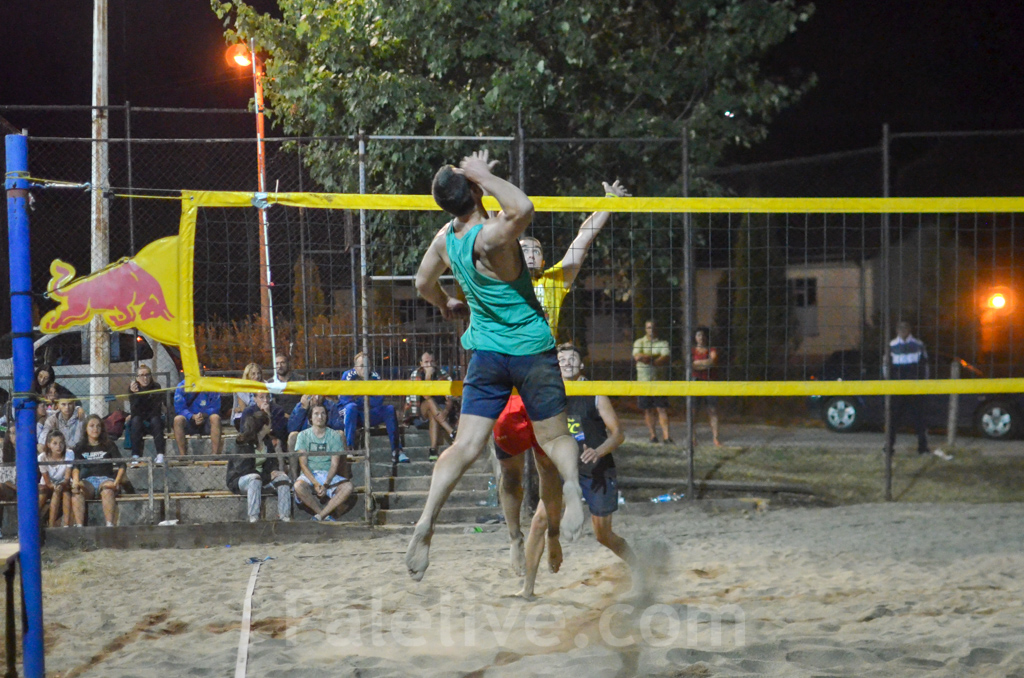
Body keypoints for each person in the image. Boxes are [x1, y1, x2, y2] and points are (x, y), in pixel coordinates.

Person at [405, 150, 585, 582]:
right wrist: (484, 174)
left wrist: (445, 302)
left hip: (486, 354)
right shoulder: (492, 236)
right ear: (472, 190)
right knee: (555, 437)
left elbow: (421, 282)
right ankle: (574, 489)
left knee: (464, 447)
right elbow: (523, 207)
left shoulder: (445, 239)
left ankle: (427, 519)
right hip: (531, 349)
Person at [519, 345, 637, 599]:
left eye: (571, 358)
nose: (566, 362)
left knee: (603, 534)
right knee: (539, 521)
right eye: (561, 359)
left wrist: (599, 451)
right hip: (564, 469)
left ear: (581, 364)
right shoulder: (550, 393)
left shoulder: (594, 392)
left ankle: (639, 570)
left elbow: (618, 434)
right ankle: (527, 588)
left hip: (596, 468)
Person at [520, 180, 630, 335]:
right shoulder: (502, 281)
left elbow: (584, 238)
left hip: (543, 348)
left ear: (543, 263)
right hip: (510, 348)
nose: (531, 255)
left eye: (537, 252)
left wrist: (610, 201)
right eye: (525, 251)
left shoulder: (553, 281)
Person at [887, 321, 947, 458]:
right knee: (893, 419)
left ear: (909, 330)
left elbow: (924, 365)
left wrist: (923, 384)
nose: (903, 331)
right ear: (897, 330)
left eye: (905, 329)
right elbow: (887, 365)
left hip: (915, 386)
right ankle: (889, 448)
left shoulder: (918, 344)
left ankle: (922, 448)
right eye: (900, 329)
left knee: (919, 419)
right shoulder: (891, 345)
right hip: (898, 387)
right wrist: (889, 384)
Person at [337, 353, 407, 464]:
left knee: (389, 409)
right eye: (361, 366)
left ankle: (397, 450)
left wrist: (359, 398)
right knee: (351, 407)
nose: (365, 369)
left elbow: (378, 401)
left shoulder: (375, 377)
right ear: (355, 367)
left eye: (367, 365)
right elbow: (346, 400)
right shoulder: (348, 375)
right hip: (350, 413)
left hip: (367, 413)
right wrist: (366, 399)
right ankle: (349, 448)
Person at [226, 411, 292, 523]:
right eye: (269, 423)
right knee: (254, 478)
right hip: (242, 479)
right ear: (263, 426)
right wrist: (268, 476)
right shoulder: (243, 443)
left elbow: (273, 462)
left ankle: (284, 516)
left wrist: (275, 472)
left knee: (283, 479)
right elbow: (245, 470)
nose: (271, 426)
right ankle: (254, 518)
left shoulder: (267, 441)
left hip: (264, 478)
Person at [293, 403, 355, 521]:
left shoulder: (334, 435)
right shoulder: (303, 436)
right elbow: (303, 465)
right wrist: (316, 484)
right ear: (311, 418)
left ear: (326, 416)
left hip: (328, 474)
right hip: (310, 474)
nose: (320, 417)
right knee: (298, 486)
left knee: (348, 487)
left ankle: (320, 516)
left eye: (323, 414)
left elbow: (334, 464)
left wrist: (326, 484)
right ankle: (323, 514)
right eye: (316, 414)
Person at [70, 415, 126, 527]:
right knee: (77, 493)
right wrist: (76, 481)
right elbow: (75, 467)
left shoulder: (109, 444)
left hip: (106, 479)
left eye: (98, 426)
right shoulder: (80, 447)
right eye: (91, 426)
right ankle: (79, 527)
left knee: (107, 491)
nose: (95, 429)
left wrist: (116, 482)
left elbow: (122, 465)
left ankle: (109, 526)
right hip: (88, 481)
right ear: (86, 429)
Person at [408, 352, 456, 462]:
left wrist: (445, 412)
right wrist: (428, 376)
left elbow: (450, 398)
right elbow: (426, 395)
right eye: (426, 362)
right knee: (429, 401)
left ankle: (433, 449)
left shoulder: (442, 374)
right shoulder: (416, 375)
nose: (429, 365)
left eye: (431, 362)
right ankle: (451, 431)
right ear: (421, 363)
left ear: (436, 362)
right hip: (420, 412)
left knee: (432, 414)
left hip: (440, 411)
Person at [633, 319, 673, 443]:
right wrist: (655, 357)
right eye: (649, 327)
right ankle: (653, 436)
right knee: (648, 409)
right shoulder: (639, 342)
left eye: (653, 327)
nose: (651, 330)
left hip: (658, 381)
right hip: (643, 381)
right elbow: (637, 357)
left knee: (662, 408)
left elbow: (665, 357)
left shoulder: (663, 343)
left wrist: (647, 358)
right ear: (645, 329)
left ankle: (666, 436)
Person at [128, 364, 166, 463]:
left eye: (147, 375)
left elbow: (156, 409)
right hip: (139, 419)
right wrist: (136, 394)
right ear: (137, 378)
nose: (145, 378)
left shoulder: (156, 386)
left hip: (153, 417)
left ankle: (160, 455)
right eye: (141, 375)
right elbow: (134, 410)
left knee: (156, 420)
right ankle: (135, 456)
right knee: (135, 420)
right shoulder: (133, 388)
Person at [172, 380, 222, 456]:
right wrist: (192, 416)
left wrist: (203, 415)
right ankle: (183, 456)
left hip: (206, 419)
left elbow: (215, 407)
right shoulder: (182, 386)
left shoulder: (211, 385)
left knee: (215, 418)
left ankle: (214, 456)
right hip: (189, 420)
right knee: (177, 419)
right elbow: (179, 408)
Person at [37, 430, 74, 528]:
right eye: (55, 443)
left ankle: (64, 525)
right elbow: (47, 481)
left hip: (64, 484)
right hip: (48, 484)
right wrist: (53, 486)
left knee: (63, 493)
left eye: (61, 443)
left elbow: (67, 478)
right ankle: (35, 521)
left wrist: (60, 485)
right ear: (48, 444)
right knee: (45, 493)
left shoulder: (69, 454)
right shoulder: (42, 457)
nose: (59, 446)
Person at [691, 327, 721, 447]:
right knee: (693, 411)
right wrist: (707, 363)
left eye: (703, 335)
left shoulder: (711, 349)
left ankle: (716, 438)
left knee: (712, 410)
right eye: (698, 335)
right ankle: (692, 438)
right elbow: (691, 365)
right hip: (696, 382)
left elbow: (713, 361)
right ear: (695, 337)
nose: (701, 338)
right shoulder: (692, 351)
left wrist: (700, 364)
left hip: (710, 382)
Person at [232, 362, 264, 430]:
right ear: (247, 375)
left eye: (258, 373)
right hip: (246, 415)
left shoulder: (265, 385)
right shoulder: (241, 389)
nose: (257, 376)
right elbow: (244, 409)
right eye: (253, 374)